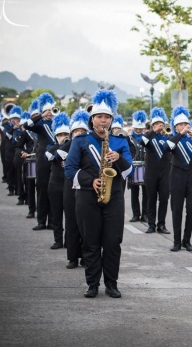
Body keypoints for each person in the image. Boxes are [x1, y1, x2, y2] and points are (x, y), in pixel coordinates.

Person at [64, 90, 133, 298]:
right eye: (99, 117)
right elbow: (69, 169)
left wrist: (118, 158)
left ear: (112, 120)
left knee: (112, 242)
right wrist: (90, 180)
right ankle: (92, 284)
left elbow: (129, 170)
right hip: (87, 197)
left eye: (107, 117)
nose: (103, 121)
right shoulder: (80, 141)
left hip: (114, 197)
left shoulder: (120, 142)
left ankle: (111, 283)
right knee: (91, 241)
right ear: (92, 119)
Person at [167, 106, 192, 252]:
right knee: (177, 209)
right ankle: (176, 241)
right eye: (181, 125)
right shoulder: (173, 139)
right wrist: (180, 134)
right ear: (176, 127)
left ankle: (186, 240)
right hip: (177, 175)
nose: (184, 127)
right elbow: (169, 147)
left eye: (186, 125)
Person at [24, 93, 57, 231]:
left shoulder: (58, 123)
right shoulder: (40, 124)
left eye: (52, 110)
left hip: (55, 159)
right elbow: (27, 125)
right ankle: (42, 220)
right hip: (42, 161)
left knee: (54, 191)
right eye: (47, 111)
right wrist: (42, 115)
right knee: (42, 189)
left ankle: (53, 221)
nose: (50, 113)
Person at [62, 109, 90, 269]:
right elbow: (53, 153)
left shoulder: (90, 145)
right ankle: (72, 257)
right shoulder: (68, 144)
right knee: (72, 222)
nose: (79, 133)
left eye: (82, 131)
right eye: (76, 131)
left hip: (86, 188)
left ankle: (86, 257)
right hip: (70, 187)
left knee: (86, 224)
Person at [141, 107, 171, 234]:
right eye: (157, 124)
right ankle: (151, 224)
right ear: (153, 125)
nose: (160, 126)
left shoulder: (168, 137)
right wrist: (154, 131)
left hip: (165, 172)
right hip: (151, 172)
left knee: (164, 198)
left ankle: (162, 224)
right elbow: (143, 142)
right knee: (151, 198)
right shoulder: (149, 137)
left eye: (162, 124)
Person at [45, 112, 71, 250]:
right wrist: (61, 145)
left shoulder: (73, 147)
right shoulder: (51, 147)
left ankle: (68, 241)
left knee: (70, 215)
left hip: (68, 184)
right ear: (56, 136)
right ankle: (57, 240)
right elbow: (50, 157)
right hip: (55, 184)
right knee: (56, 213)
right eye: (60, 135)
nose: (63, 137)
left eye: (66, 135)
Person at [128, 110, 148, 223]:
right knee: (134, 192)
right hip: (134, 166)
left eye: (140, 129)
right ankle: (136, 214)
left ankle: (145, 214)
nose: (138, 131)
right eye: (137, 129)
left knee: (146, 192)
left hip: (145, 167)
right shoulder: (129, 138)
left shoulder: (146, 137)